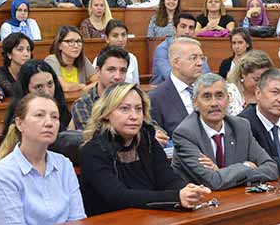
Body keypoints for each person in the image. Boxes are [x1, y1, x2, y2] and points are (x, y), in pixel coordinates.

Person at [79, 83, 209, 215]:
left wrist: (187, 190)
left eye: (138, 109)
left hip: (149, 216)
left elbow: (168, 179)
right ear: (106, 113)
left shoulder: (147, 141)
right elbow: (118, 196)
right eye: (125, 109)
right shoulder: (92, 151)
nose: (134, 116)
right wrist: (176, 197)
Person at [0, 93, 85, 225]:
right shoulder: (3, 173)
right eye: (39, 115)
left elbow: (78, 222)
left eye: (54, 117)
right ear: (20, 124)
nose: (49, 123)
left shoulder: (64, 164)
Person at [172, 72, 278, 190]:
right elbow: (212, 182)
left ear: (228, 99)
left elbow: (271, 168)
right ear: (195, 103)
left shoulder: (240, 126)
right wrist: (246, 166)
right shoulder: (185, 134)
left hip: (236, 200)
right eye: (207, 97)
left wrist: (222, 173)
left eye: (219, 96)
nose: (214, 103)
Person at [149, 36, 207, 136]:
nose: (200, 63)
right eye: (193, 58)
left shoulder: (206, 90)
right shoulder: (156, 98)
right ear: (176, 63)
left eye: (202, 58)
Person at [71, 46, 129, 129]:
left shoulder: (131, 98)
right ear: (98, 71)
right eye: (111, 69)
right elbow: (91, 136)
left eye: (123, 71)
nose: (117, 76)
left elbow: (150, 127)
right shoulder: (83, 104)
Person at [150, 14, 210, 84]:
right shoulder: (162, 49)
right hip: (163, 89)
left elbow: (206, 74)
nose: (187, 31)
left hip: (191, 86)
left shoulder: (195, 47)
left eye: (191, 28)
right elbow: (169, 76)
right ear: (174, 29)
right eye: (183, 27)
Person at [45, 26, 96, 97]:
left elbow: (99, 80)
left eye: (78, 41)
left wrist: (84, 89)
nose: (76, 45)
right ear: (59, 45)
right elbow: (64, 87)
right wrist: (81, 86)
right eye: (70, 41)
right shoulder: (51, 60)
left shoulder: (83, 60)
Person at [224, 49, 272, 114]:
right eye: (256, 79)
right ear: (243, 74)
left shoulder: (270, 92)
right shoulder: (230, 92)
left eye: (265, 79)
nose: (261, 84)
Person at [0, 32, 34, 97]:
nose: (26, 54)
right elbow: (14, 92)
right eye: (20, 50)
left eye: (28, 50)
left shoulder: (33, 71)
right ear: (9, 54)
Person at [105, 19, 140, 84]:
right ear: (107, 39)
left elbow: (136, 84)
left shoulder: (132, 58)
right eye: (115, 36)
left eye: (123, 35)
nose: (120, 39)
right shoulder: (100, 59)